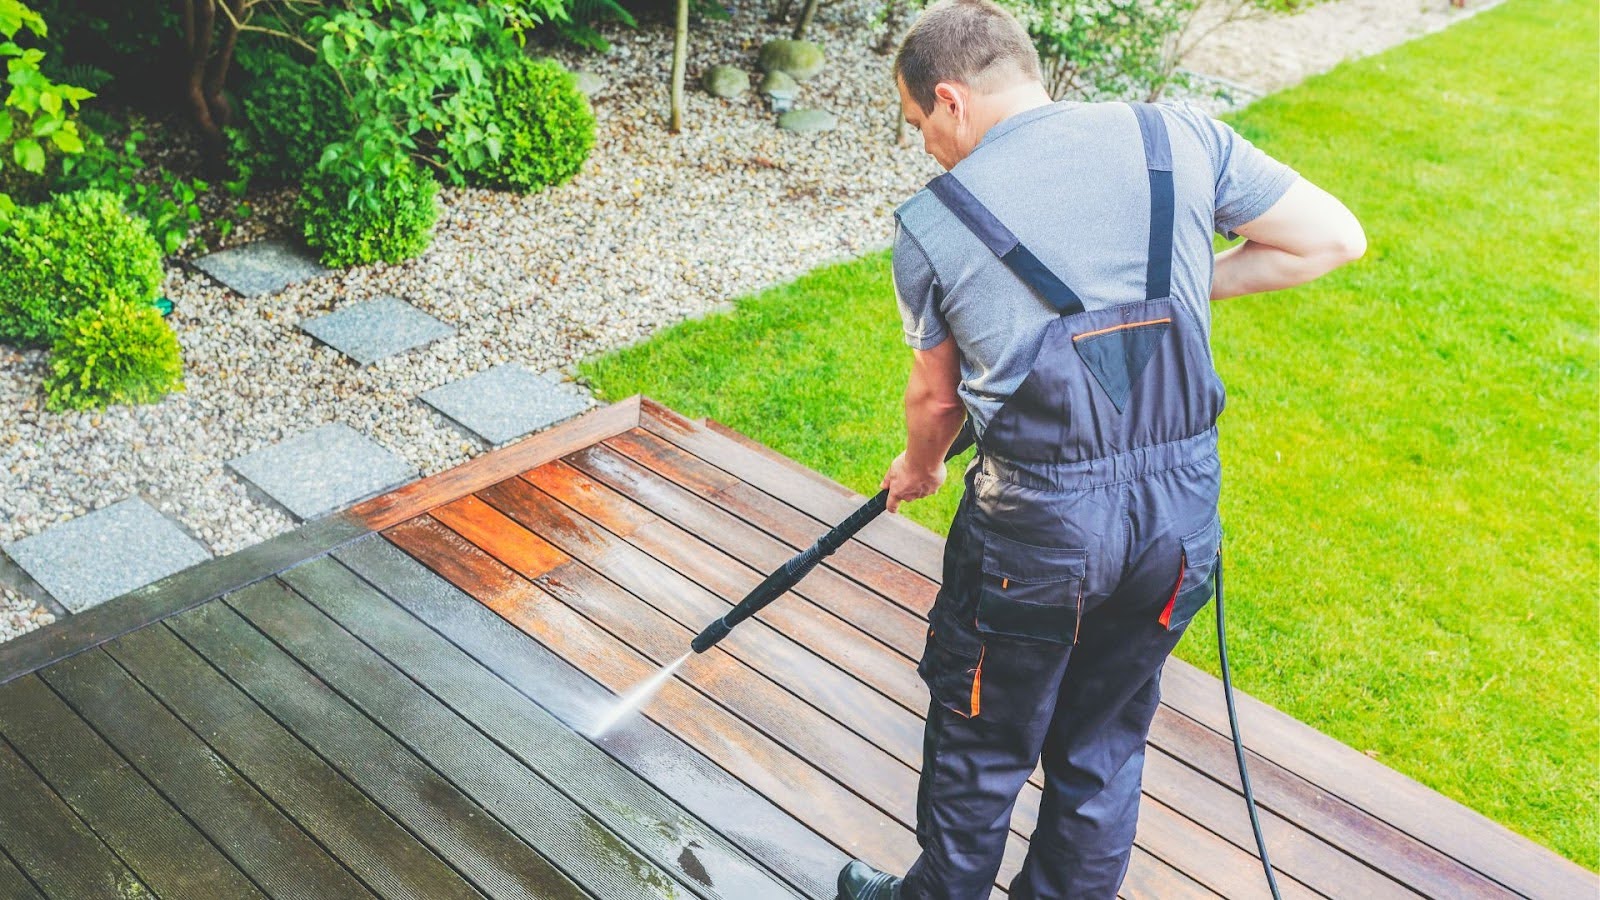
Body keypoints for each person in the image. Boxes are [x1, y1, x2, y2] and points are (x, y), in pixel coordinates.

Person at [836, 1, 1366, 898]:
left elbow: (933, 395)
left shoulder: (933, 222)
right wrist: (1181, 290)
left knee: (984, 738)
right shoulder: (1179, 138)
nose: (923, 142)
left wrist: (921, 467)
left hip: (1035, 531)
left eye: (917, 120)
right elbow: (1330, 239)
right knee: (1105, 735)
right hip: (1178, 520)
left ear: (953, 100)